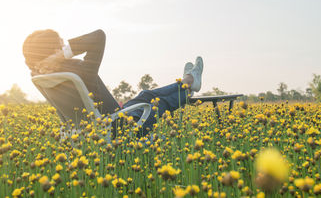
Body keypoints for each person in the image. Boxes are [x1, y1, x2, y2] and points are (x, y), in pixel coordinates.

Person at [22, 29, 203, 138]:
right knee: (157, 103)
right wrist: (60, 56)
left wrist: (45, 62)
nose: (65, 48)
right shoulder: (78, 71)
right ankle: (188, 86)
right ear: (54, 52)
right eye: (61, 45)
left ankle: (188, 81)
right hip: (119, 128)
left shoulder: (43, 79)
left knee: (145, 95)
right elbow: (98, 36)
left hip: (102, 124)